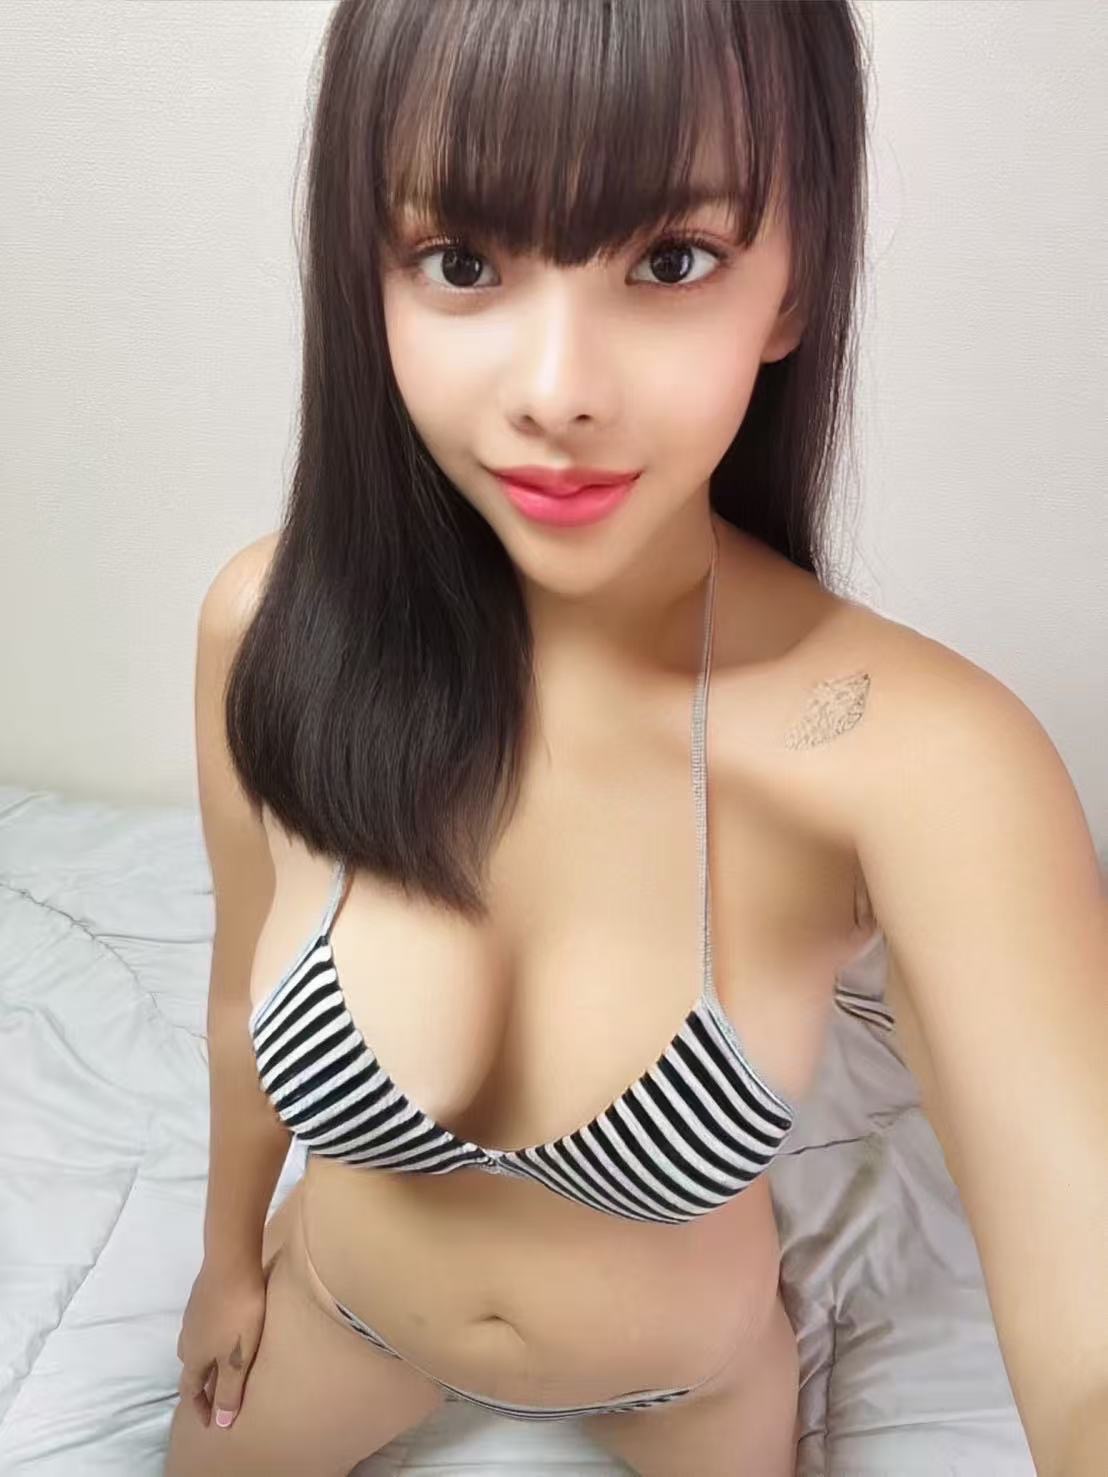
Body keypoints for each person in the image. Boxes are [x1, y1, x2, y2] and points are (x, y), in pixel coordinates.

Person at [167, 1, 877, 1472]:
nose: (558, 391)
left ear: (794, 287)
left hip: (690, 1383)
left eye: (671, 260)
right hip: (346, 1317)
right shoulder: (267, 629)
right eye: (462, 261)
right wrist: (228, 1260)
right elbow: (243, 992)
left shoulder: (872, 749)